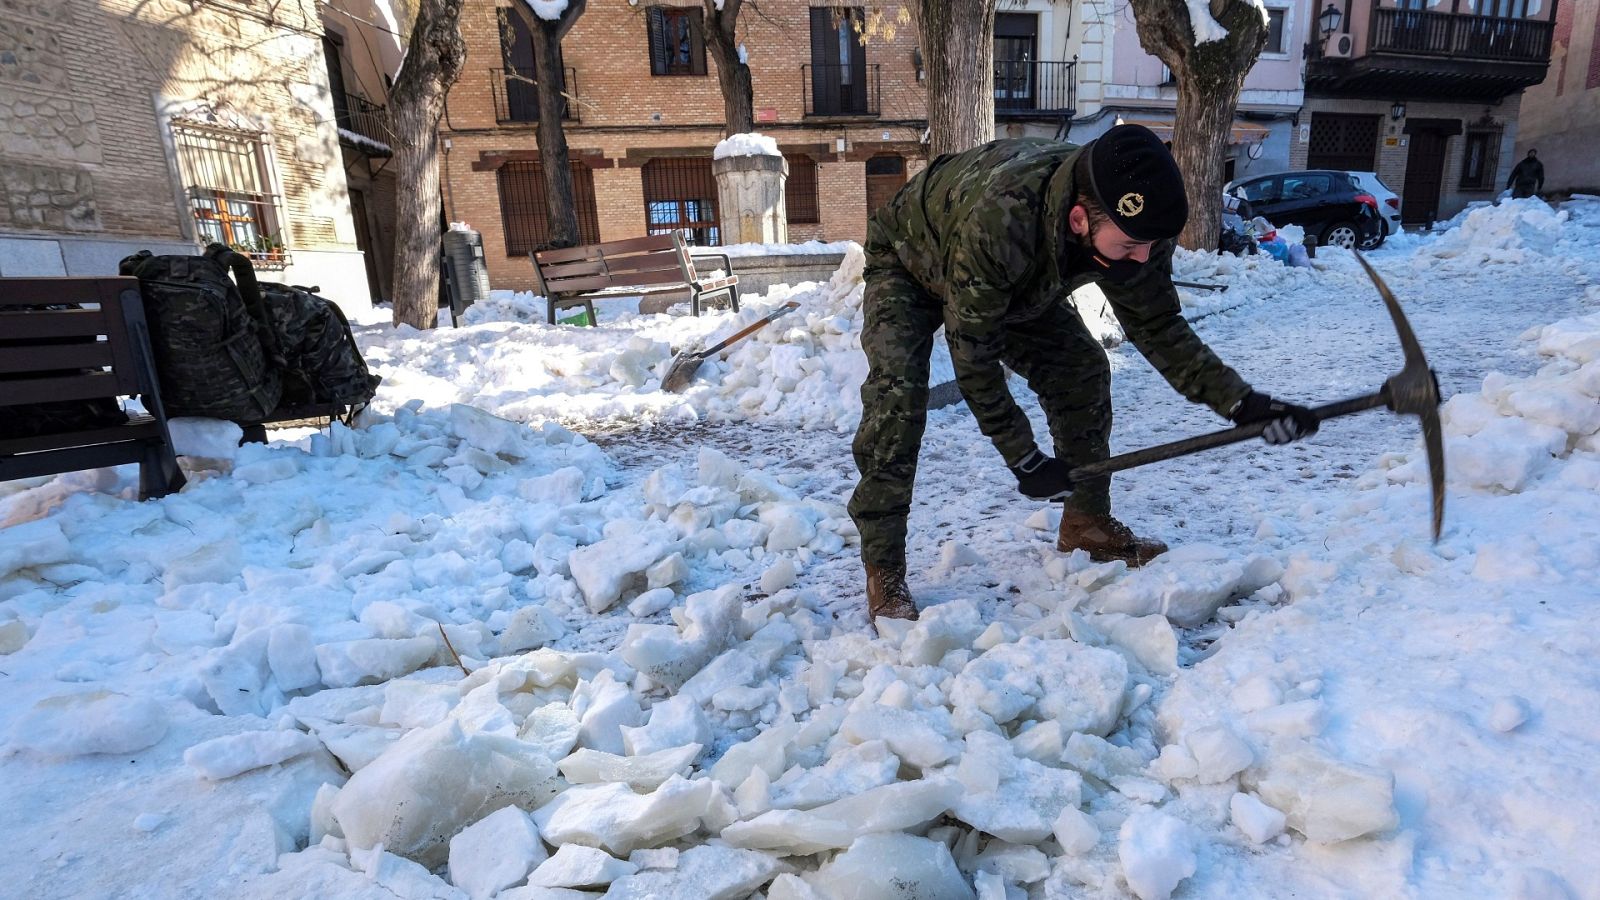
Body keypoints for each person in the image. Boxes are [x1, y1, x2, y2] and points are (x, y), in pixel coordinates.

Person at [849, 124, 1320, 623]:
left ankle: (1086, 521)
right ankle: (884, 567)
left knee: (1082, 369)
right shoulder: (1003, 218)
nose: (1142, 258)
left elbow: (1158, 326)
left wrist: (1243, 403)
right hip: (910, 258)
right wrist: (1024, 458)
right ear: (1080, 218)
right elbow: (974, 357)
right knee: (896, 403)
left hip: (1015, 277)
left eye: (1149, 247)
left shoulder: (1139, 221)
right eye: (1131, 248)